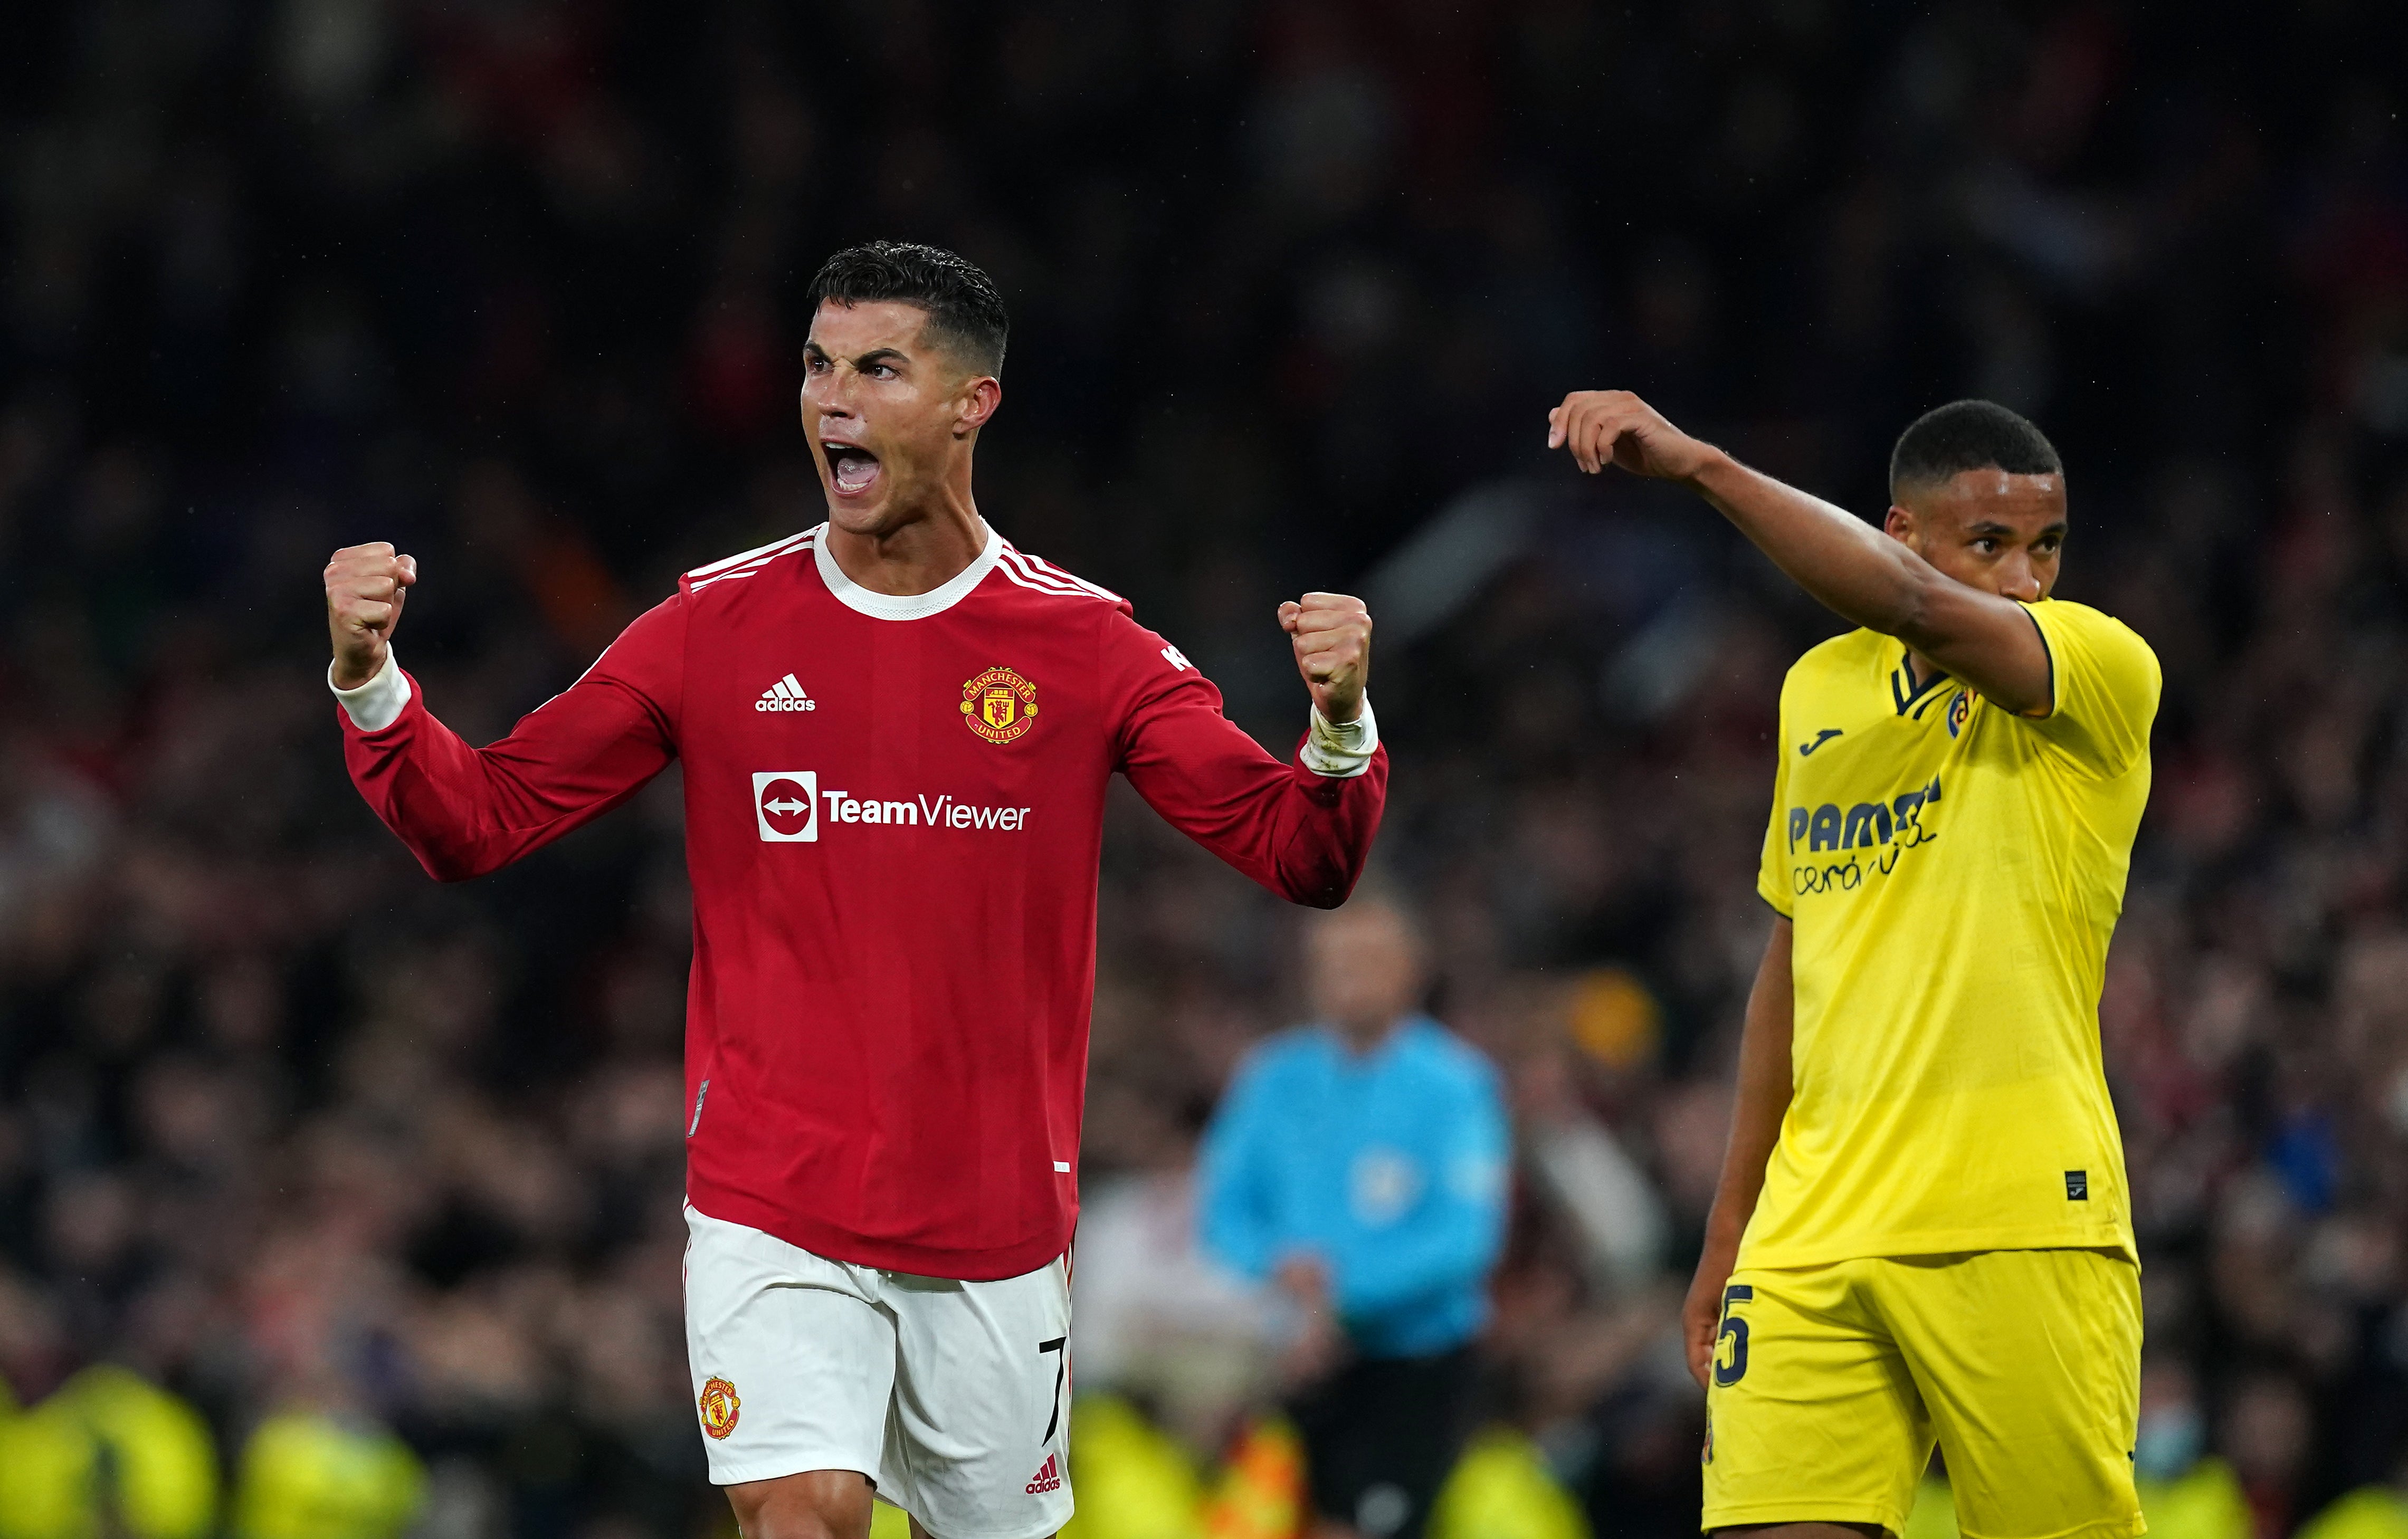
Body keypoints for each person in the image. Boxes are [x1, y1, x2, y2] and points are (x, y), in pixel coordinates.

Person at [321, 241, 1389, 1539]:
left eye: (878, 368)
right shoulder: (710, 627)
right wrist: (371, 679)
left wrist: (1336, 725)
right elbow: (477, 820)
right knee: (805, 1511)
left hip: (997, 1227)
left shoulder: (1087, 647)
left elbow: (1299, 853)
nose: (832, 398)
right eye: (818, 365)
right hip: (775, 1198)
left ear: (968, 402)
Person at [1545, 391, 2158, 1538]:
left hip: (2017, 1212)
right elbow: (1791, 969)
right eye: (1990, 543)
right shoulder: (1818, 690)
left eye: (2046, 547)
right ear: (1902, 526)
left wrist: (1705, 467)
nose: (2027, 578)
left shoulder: (2096, 668)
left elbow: (1914, 602)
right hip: (1811, 1229)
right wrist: (1729, 1231)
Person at [1197, 896, 1510, 1539]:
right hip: (1293, 1357)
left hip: (1413, 1362)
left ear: (1411, 971)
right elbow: (1225, 1209)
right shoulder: (1272, 1077)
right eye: (1331, 962)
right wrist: (1279, 1269)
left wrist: (1337, 1296)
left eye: (1367, 960)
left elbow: (1465, 1237)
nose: (1347, 977)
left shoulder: (1455, 1086)